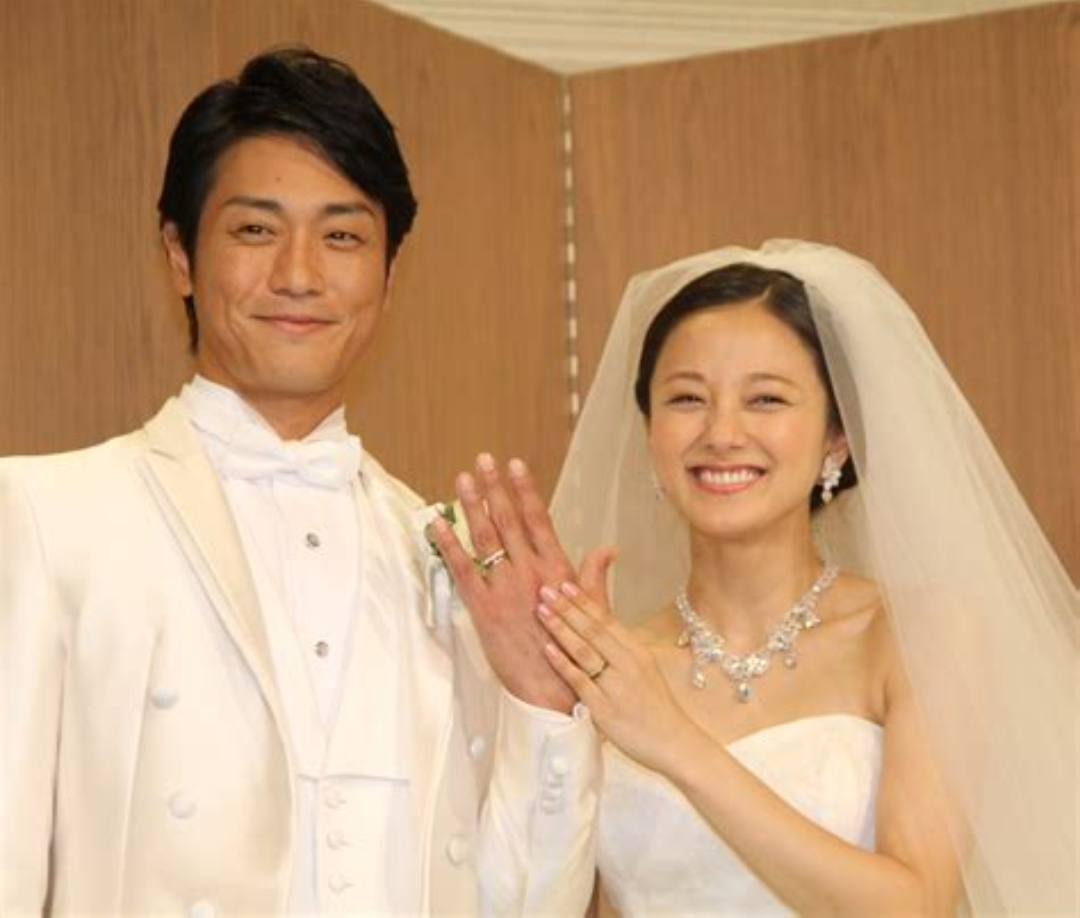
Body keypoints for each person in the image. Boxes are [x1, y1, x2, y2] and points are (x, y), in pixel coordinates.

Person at [0, 47, 600, 915]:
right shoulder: (49, 516)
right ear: (179, 254)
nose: (298, 275)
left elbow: (522, 904)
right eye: (255, 230)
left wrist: (543, 706)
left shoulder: (447, 559)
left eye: (343, 236)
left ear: (389, 272)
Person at [470, 241, 1075, 914]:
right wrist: (544, 712)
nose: (722, 433)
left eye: (765, 399)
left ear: (835, 437)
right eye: (687, 398)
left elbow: (917, 904)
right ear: (650, 431)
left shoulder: (915, 635)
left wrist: (673, 740)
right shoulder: (614, 664)